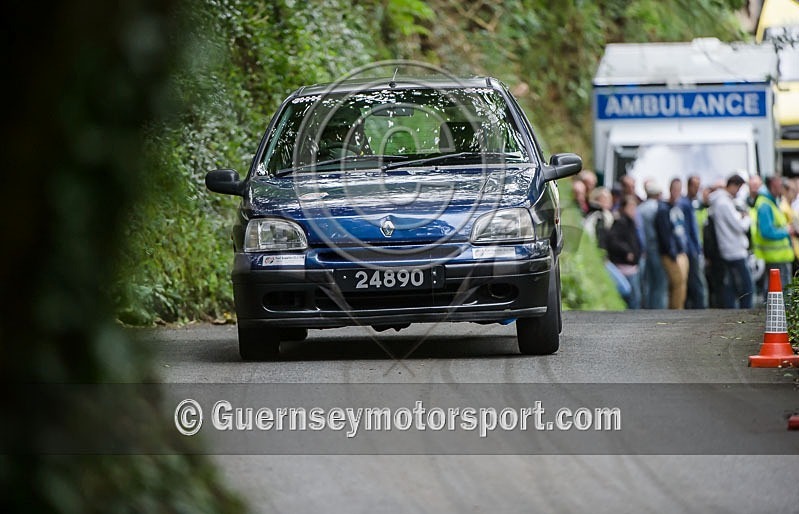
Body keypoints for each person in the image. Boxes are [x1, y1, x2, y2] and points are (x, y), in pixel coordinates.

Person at [708, 174, 753, 308]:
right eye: (738, 188)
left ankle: (731, 310)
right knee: (747, 286)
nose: (737, 192)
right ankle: (745, 312)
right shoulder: (724, 203)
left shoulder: (721, 202)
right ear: (733, 185)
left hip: (727, 248)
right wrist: (746, 218)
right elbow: (739, 226)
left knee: (731, 285)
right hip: (734, 250)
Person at [752, 175, 795, 298]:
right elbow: (766, 232)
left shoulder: (772, 202)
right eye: (779, 184)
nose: (782, 187)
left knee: (778, 293)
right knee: (779, 294)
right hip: (775, 257)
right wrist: (786, 231)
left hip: (779, 257)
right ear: (772, 185)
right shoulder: (765, 205)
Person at [655, 178, 690, 309]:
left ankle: (678, 308)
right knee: (677, 283)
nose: (677, 192)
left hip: (681, 250)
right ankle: (675, 311)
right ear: (670, 190)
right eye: (675, 189)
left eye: (679, 189)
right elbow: (664, 234)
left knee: (682, 285)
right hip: (671, 254)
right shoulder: (663, 209)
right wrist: (672, 252)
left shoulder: (679, 207)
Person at [606, 195, 643, 309]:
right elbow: (613, 241)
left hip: (632, 267)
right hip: (624, 266)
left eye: (634, 207)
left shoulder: (632, 222)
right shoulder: (620, 222)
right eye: (630, 207)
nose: (633, 210)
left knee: (635, 298)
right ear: (623, 208)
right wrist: (627, 252)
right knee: (632, 298)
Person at [679, 175, 707, 309]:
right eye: (695, 186)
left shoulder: (692, 204)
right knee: (697, 283)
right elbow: (686, 230)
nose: (697, 189)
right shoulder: (684, 204)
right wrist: (693, 249)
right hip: (691, 251)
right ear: (689, 186)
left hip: (695, 249)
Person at [639, 180, 668, 309]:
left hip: (643, 249)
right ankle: (658, 309)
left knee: (647, 282)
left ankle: (646, 308)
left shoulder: (640, 208)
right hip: (656, 248)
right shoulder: (658, 208)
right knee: (659, 282)